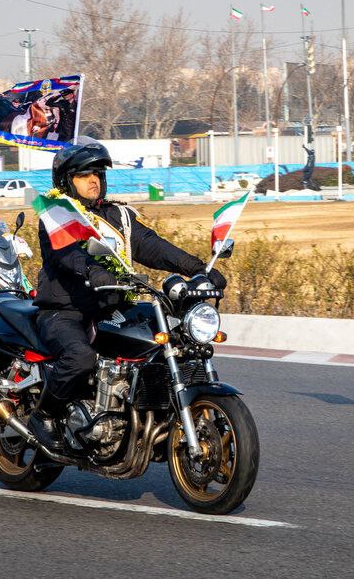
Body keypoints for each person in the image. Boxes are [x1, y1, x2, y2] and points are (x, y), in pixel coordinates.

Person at [31, 140, 227, 455]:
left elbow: (153, 246)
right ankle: (45, 415)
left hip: (114, 306)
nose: (94, 180)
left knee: (174, 343)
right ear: (67, 180)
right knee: (80, 358)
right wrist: (93, 271)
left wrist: (200, 269)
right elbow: (66, 254)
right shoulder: (57, 216)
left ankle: (152, 414)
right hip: (66, 311)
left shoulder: (118, 215)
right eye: (84, 175)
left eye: (97, 173)